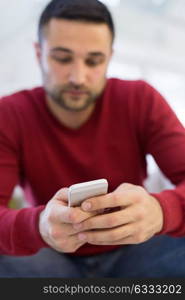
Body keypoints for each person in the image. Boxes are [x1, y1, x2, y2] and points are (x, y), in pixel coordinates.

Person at [0, 0, 185, 278]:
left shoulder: (141, 100)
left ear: (109, 58)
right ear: (39, 54)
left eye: (94, 61)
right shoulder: (10, 114)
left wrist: (162, 210)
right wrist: (37, 226)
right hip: (49, 260)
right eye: (62, 58)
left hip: (138, 252)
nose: (78, 77)